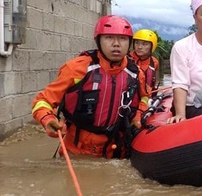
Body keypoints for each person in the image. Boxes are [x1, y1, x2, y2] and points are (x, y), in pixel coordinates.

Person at [31, 15, 150, 159]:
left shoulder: (136, 74)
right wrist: (48, 120)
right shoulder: (77, 68)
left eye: (122, 39)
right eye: (109, 38)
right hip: (78, 150)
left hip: (117, 150)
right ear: (98, 41)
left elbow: (144, 97)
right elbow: (42, 101)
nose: (116, 44)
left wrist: (138, 115)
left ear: (129, 42)